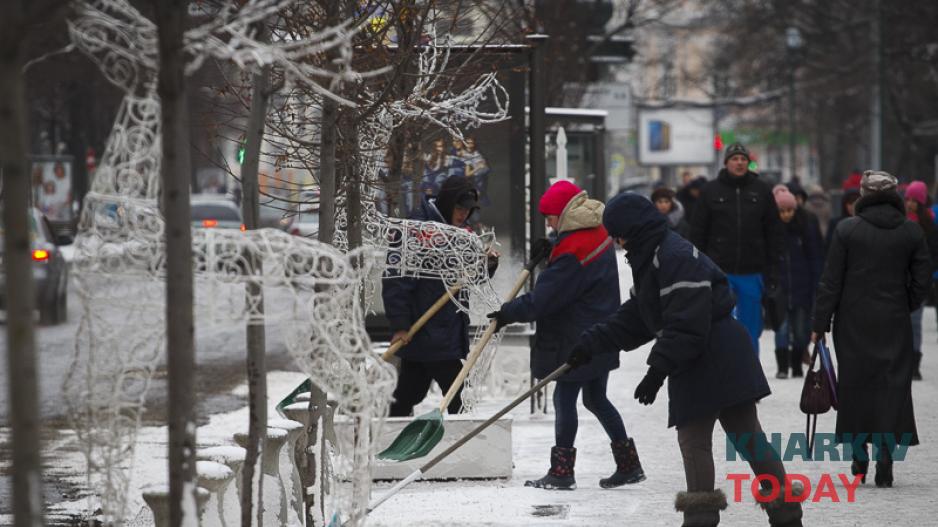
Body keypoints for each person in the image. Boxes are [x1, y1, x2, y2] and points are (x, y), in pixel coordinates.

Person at [568, 192, 802, 527]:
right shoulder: (653, 255)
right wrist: (591, 344)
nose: (616, 240)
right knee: (748, 437)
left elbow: (687, 322)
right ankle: (787, 517)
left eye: (617, 233)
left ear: (633, 228)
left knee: (697, 440)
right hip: (714, 352)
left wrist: (656, 370)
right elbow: (638, 315)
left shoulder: (674, 255)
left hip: (710, 353)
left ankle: (703, 520)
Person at [487, 180, 644, 491]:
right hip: (601, 331)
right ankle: (629, 465)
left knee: (565, 398)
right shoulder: (595, 231)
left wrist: (507, 313)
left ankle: (562, 472)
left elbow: (545, 299)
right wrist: (550, 249)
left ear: (565, 214)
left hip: (579, 336)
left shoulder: (574, 249)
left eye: (550, 217)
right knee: (596, 398)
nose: (548, 222)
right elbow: (573, 280)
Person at [811, 171, 930, 488]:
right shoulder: (911, 231)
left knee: (855, 383)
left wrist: (819, 323)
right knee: (893, 386)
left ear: (863, 194)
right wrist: (905, 304)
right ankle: (886, 455)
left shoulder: (847, 230)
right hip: (894, 319)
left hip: (853, 319)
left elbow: (831, 280)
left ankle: (858, 452)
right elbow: (922, 279)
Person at [383, 175, 496, 417]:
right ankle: (464, 447)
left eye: (468, 209)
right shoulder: (417, 230)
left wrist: (487, 264)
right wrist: (401, 325)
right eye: (459, 207)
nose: (463, 214)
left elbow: (471, 277)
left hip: (445, 330)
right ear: (447, 202)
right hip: (426, 332)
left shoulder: (458, 234)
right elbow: (397, 280)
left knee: (408, 394)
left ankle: (387, 438)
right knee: (459, 397)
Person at [690, 143, 785, 356]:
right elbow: (698, 232)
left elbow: (773, 231)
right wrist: (699, 267)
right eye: (735, 159)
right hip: (719, 271)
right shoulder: (710, 191)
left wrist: (773, 269)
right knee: (720, 326)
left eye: (743, 159)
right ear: (726, 163)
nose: (739, 162)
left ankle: (749, 373)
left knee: (750, 329)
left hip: (753, 271)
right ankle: (724, 371)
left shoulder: (761, 190)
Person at [772, 186, 823, 379]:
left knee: (802, 331)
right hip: (780, 287)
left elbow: (815, 257)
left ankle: (796, 363)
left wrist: (816, 281)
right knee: (782, 328)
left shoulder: (806, 227)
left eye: (789, 210)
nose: (786, 215)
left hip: (802, 286)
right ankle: (783, 366)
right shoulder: (772, 231)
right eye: (781, 211)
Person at [903, 180, 938, 380]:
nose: (910, 204)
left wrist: (925, 274)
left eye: (914, 200)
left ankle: (914, 362)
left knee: (915, 323)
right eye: (908, 199)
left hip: (919, 280)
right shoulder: (902, 221)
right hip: (901, 279)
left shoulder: (930, 225)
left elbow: (933, 254)